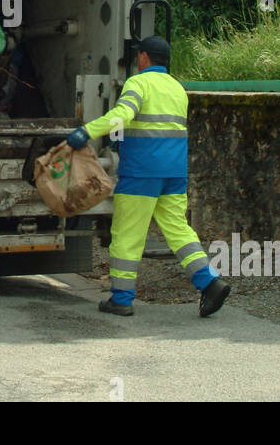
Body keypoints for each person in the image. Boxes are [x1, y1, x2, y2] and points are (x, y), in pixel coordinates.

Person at [67, 35, 230, 318]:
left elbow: (123, 114)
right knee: (179, 232)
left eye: (138, 56)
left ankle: (121, 299)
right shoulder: (178, 89)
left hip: (142, 173)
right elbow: (155, 127)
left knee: (127, 235)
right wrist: (123, 140)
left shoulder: (138, 83)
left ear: (143, 58)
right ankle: (209, 282)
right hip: (174, 173)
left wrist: (87, 131)